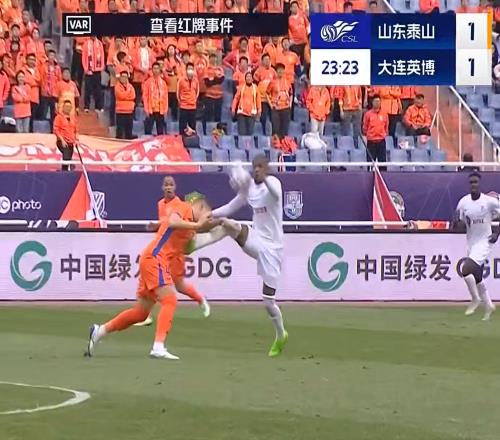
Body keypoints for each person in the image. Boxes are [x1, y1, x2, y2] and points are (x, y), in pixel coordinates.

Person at [86, 193, 219, 360]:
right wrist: (198, 224)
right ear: (200, 206)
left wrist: (219, 225)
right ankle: (158, 347)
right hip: (155, 258)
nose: (207, 218)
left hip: (152, 260)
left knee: (140, 313)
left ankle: (99, 331)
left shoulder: (191, 230)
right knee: (170, 300)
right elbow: (173, 221)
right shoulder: (184, 207)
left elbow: (191, 243)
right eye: (207, 214)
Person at [204, 156, 289, 357]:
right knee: (229, 225)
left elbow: (276, 194)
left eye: (261, 167)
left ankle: (281, 334)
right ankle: (196, 243)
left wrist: (265, 177)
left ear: (266, 169)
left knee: (268, 301)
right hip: (256, 238)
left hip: (274, 248)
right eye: (254, 167)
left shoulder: (274, 183)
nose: (256, 170)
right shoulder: (249, 188)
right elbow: (231, 206)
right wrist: (211, 214)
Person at [135, 176, 212, 327]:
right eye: (166, 185)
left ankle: (201, 300)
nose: (169, 187)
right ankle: (145, 315)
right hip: (162, 250)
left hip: (175, 252)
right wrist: (157, 226)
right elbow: (166, 224)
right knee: (147, 279)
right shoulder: (160, 204)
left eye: (171, 185)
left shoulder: (180, 204)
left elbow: (174, 222)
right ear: (162, 187)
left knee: (179, 285)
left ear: (175, 187)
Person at [453, 172, 500, 320]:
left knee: (466, 269)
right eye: (471, 182)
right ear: (469, 184)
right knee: (477, 276)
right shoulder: (463, 202)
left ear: (479, 184)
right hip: (472, 242)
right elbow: (459, 225)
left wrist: (496, 233)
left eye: (476, 182)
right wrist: (457, 223)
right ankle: (489, 306)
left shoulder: (489, 202)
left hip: (485, 241)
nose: (473, 185)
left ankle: (475, 299)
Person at [362, 94, 388, 169]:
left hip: (381, 142)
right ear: (372, 102)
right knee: (370, 164)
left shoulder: (384, 114)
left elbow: (386, 127)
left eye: (378, 101)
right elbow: (365, 127)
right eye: (375, 101)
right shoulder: (367, 114)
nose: (377, 103)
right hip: (371, 142)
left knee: (382, 164)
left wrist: (383, 134)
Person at [142, 62, 168, 135]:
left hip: (160, 110)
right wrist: (146, 109)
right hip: (151, 110)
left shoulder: (163, 83)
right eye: (154, 68)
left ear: (160, 70)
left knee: (160, 132)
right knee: (148, 131)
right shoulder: (147, 82)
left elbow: (165, 97)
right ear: (152, 70)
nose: (156, 70)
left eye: (157, 68)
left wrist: (165, 110)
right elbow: (145, 96)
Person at [267, 63, 292, 139]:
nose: (280, 72)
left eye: (282, 70)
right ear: (276, 71)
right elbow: (267, 93)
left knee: (285, 130)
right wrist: (271, 105)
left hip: (286, 108)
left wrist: (290, 104)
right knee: (275, 130)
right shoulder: (272, 82)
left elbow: (291, 93)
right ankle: (276, 144)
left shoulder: (288, 82)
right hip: (276, 109)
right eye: (279, 70)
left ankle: (284, 144)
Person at [232, 71, 261, 136]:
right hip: (242, 113)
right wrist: (233, 109)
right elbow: (236, 98)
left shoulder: (255, 88)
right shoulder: (241, 87)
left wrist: (259, 110)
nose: (248, 78)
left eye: (250, 77)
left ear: (252, 79)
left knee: (250, 132)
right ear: (245, 79)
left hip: (252, 113)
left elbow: (258, 100)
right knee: (242, 132)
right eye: (247, 77)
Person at [82, 36, 105, 113]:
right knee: (88, 89)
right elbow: (84, 56)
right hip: (88, 70)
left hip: (97, 70)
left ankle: (98, 106)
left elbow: (102, 56)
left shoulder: (100, 43)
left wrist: (101, 67)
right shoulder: (86, 43)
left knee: (98, 89)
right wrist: (85, 68)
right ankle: (86, 106)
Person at [53, 100, 77, 171]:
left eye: (69, 107)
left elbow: (75, 130)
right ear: (63, 107)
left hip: (71, 142)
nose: (68, 108)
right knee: (66, 157)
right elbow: (56, 130)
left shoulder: (73, 118)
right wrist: (62, 140)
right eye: (66, 107)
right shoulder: (58, 117)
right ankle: (65, 171)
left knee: (68, 158)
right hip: (62, 141)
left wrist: (76, 139)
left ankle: (66, 170)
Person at [177, 62, 199, 134]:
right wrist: (181, 102)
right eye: (189, 69)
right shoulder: (181, 80)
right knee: (182, 127)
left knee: (192, 127)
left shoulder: (196, 81)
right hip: (183, 107)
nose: (190, 71)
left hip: (192, 107)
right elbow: (178, 93)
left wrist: (194, 100)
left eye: (192, 69)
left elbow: (197, 92)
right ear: (186, 70)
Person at [114, 71, 135, 139]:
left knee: (129, 132)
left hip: (129, 111)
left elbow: (133, 96)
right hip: (120, 112)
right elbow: (121, 96)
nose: (124, 78)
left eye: (125, 77)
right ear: (120, 77)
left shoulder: (131, 86)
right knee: (119, 132)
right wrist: (128, 92)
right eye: (122, 76)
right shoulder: (117, 87)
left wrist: (125, 96)